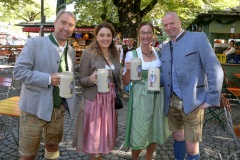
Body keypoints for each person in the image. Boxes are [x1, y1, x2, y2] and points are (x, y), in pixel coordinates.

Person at [13, 9, 77, 160]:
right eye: (63, 22)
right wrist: (48, 79)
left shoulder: (72, 52)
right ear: (54, 23)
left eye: (71, 25)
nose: (66, 28)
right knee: (28, 154)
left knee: (53, 147)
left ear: (74, 29)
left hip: (57, 110)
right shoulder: (34, 43)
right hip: (33, 110)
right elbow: (19, 72)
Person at [161, 12, 223, 160]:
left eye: (172, 23)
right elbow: (165, 75)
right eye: (165, 25)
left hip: (194, 103)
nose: (169, 27)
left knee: (192, 147)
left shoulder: (198, 38)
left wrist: (211, 98)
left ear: (180, 22)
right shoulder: (164, 47)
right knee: (177, 137)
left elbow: (214, 69)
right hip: (172, 104)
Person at [72, 22, 122, 160]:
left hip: (109, 102)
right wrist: (91, 79)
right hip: (94, 102)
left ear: (112, 37)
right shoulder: (88, 53)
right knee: (95, 148)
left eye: (108, 35)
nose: (105, 38)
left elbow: (118, 78)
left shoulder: (115, 53)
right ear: (96, 36)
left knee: (102, 144)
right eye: (102, 35)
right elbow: (81, 79)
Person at [123, 21, 171, 160]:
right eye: (143, 32)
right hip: (140, 97)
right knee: (139, 130)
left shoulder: (158, 53)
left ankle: (149, 158)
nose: (146, 35)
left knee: (154, 130)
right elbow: (125, 82)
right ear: (139, 35)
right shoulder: (132, 54)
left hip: (157, 96)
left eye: (148, 32)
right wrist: (128, 70)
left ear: (153, 34)